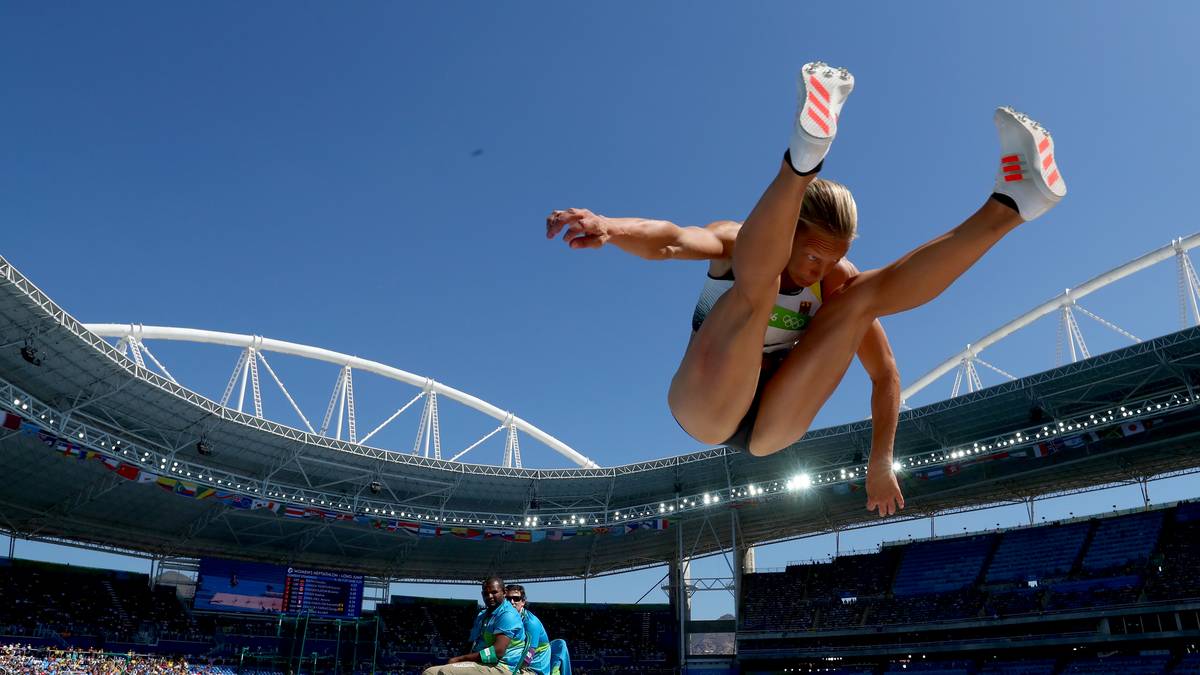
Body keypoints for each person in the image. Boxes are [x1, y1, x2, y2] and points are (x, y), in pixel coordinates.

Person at [546, 61, 1066, 517]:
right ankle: (801, 161)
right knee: (758, 282)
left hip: (773, 424)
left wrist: (881, 459)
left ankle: (1013, 205)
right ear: (790, 228)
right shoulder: (739, 242)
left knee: (860, 297)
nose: (820, 270)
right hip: (705, 405)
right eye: (813, 254)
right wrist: (611, 227)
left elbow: (885, 375)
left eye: (832, 257)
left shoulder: (835, 279)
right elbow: (672, 241)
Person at [422, 576, 527, 675]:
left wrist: (460, 659)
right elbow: (471, 644)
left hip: (502, 667)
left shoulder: (508, 615)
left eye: (494, 592)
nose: (490, 596)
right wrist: (458, 660)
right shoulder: (482, 615)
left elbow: (498, 651)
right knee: (430, 672)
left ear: (504, 592)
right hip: (484, 664)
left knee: (441, 673)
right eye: (486, 593)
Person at [505, 584, 551, 675]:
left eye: (516, 599)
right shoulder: (506, 618)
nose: (512, 602)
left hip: (534, 670)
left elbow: (527, 659)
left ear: (523, 602)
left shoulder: (531, 623)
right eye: (508, 598)